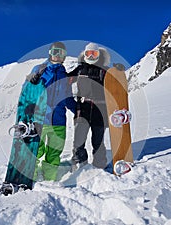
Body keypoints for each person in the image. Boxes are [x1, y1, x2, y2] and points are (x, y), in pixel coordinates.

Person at [28, 41, 76, 181]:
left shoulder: (65, 76)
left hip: (59, 121)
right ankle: (33, 177)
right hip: (40, 119)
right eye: (55, 52)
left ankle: (49, 179)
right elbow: (29, 90)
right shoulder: (40, 69)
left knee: (54, 153)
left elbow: (68, 98)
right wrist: (32, 82)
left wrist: (79, 111)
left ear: (64, 56)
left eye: (61, 53)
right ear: (50, 53)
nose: (57, 55)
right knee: (37, 150)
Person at [68, 42, 111, 171]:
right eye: (89, 53)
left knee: (98, 140)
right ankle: (80, 163)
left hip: (100, 109)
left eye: (94, 53)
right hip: (83, 108)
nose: (91, 56)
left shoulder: (104, 70)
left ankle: (100, 164)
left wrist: (117, 72)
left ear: (99, 54)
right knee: (79, 139)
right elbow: (65, 80)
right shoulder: (80, 69)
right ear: (84, 54)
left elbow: (115, 87)